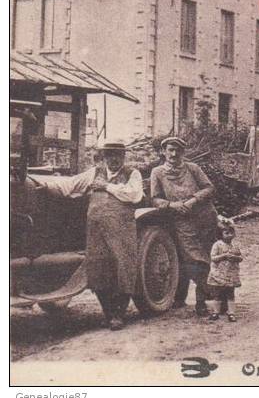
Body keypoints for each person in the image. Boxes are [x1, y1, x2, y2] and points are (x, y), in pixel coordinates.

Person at [29, 141, 143, 330]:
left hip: (122, 229)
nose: (114, 159)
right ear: (104, 157)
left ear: (123, 157)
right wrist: (45, 186)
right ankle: (108, 313)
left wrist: (106, 186)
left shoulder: (132, 173)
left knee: (123, 267)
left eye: (117, 155)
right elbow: (70, 185)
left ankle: (118, 314)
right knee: (97, 269)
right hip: (96, 229)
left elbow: (133, 195)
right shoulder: (94, 173)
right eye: (109, 155)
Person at [151, 136, 220, 317]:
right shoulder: (157, 172)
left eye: (178, 150)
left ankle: (200, 300)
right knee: (194, 258)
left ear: (183, 152)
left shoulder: (193, 168)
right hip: (181, 221)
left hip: (205, 217)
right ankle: (213, 295)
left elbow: (209, 188)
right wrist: (172, 205)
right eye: (170, 150)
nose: (174, 154)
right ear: (163, 152)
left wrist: (192, 200)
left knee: (207, 256)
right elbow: (155, 198)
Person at [207, 217, 243, 322]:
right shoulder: (217, 245)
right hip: (218, 273)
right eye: (226, 233)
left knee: (230, 293)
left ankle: (231, 313)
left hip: (231, 273)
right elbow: (213, 258)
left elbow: (240, 257)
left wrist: (235, 258)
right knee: (217, 294)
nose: (230, 235)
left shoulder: (235, 245)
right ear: (220, 234)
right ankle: (215, 312)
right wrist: (224, 256)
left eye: (232, 232)